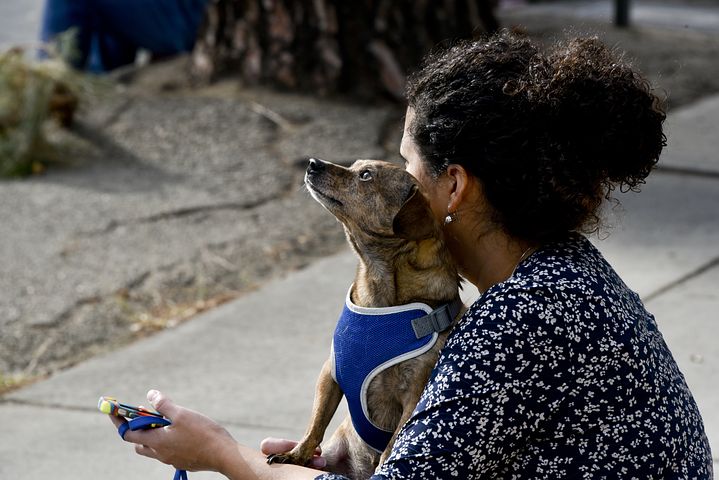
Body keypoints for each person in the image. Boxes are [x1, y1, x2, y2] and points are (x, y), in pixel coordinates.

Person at [109, 32, 713, 478]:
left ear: (454, 186)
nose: (400, 176)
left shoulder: (520, 324)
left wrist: (218, 452)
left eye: (407, 164)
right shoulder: (569, 276)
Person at [40, 0, 208, 72]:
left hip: (196, 18)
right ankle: (100, 84)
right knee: (99, 17)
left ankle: (48, 86)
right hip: (197, 16)